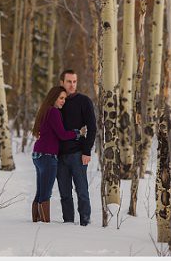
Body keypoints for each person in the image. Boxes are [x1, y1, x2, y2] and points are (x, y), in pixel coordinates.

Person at [31, 86, 79, 223]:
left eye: (64, 98)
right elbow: (63, 135)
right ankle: (44, 224)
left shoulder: (44, 110)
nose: (63, 101)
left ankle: (36, 222)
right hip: (47, 156)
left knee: (40, 191)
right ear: (54, 98)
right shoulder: (54, 112)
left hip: (38, 154)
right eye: (61, 98)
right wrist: (77, 133)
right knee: (45, 193)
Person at [56, 69, 96, 226]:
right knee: (65, 194)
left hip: (78, 154)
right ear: (62, 83)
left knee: (82, 192)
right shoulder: (58, 102)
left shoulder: (84, 101)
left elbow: (92, 128)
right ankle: (68, 224)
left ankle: (85, 223)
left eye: (74, 82)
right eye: (68, 82)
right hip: (59, 156)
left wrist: (87, 151)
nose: (72, 85)